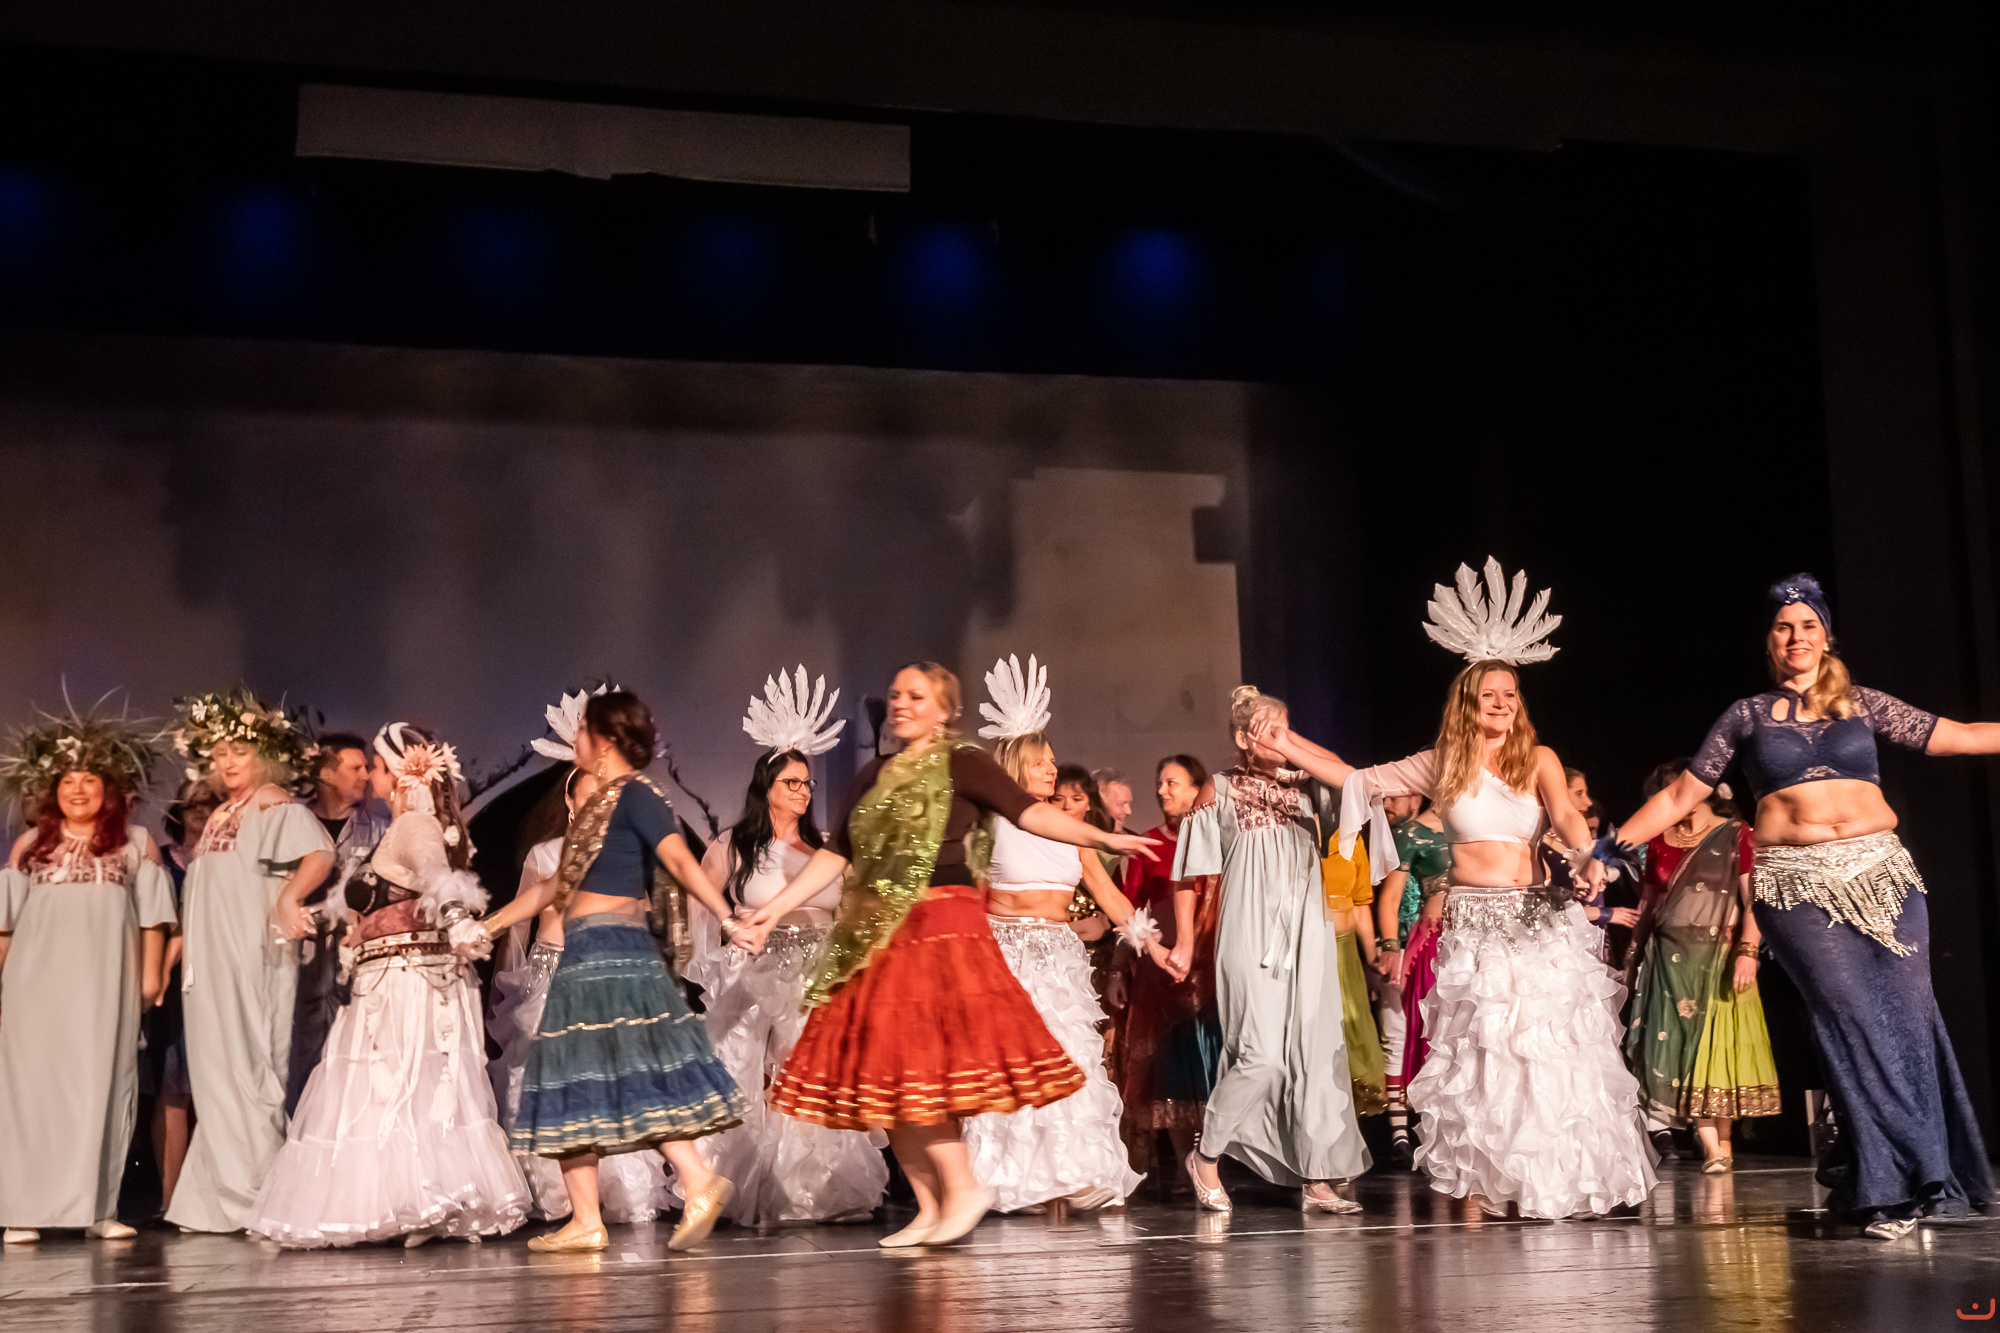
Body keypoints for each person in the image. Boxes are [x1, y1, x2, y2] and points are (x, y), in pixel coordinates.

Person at [1613, 574, 1998, 1238]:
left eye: (1808, 625)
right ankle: (1886, 1189)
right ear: (1770, 642)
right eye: (1784, 627)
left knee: (1909, 1021)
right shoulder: (1747, 715)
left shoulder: (1864, 704)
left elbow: (1960, 735)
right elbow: (1680, 796)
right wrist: (1610, 845)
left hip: (1882, 875)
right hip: (1794, 884)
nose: (1797, 637)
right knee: (1851, 1021)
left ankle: (1928, 1176)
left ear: (1826, 635)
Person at [740, 662, 1158, 1248]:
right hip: (884, 930)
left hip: (942, 925)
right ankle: (931, 1205)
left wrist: (1102, 836)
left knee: (920, 1066)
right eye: (895, 694)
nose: (901, 704)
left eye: (917, 696)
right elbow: (838, 854)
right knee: (884, 1073)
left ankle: (962, 1188)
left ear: (945, 709)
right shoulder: (874, 774)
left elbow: (1030, 811)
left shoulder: (962, 762)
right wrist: (774, 908)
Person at [1336, 559, 1654, 1220]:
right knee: (1484, 1057)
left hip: (1540, 920)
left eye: (1511, 693)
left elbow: (1566, 816)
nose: (1503, 703)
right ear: (1468, 701)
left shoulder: (1539, 758)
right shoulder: (1442, 764)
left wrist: (1587, 854)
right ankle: (1481, 1188)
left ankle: (1556, 1183)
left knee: (1548, 1053)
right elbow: (1357, 776)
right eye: (1490, 694)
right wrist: (1287, 742)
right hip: (1476, 925)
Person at [483, 690, 745, 1254]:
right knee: (569, 1077)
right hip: (581, 954)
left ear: (603, 740)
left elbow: (678, 858)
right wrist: (492, 923)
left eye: (582, 730)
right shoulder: (599, 805)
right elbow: (558, 884)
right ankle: (586, 1219)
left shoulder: (635, 794)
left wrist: (727, 916)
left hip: (614, 953)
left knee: (630, 1071)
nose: (574, 739)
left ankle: (697, 1178)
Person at [249, 723, 529, 1248]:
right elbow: (376, 900)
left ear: (398, 773)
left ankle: (423, 1201)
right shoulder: (400, 828)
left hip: (408, 981)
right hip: (385, 979)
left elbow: (438, 878)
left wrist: (459, 922)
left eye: (375, 766)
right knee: (385, 1090)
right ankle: (407, 1202)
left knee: (404, 1087)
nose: (370, 776)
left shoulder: (416, 825)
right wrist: (316, 916)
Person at [683, 667, 889, 1227]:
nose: (803, 791)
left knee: (810, 1069)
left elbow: (852, 914)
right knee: (747, 1070)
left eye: (807, 784)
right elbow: (703, 908)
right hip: (755, 967)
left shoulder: (825, 850)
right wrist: (714, 963)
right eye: (791, 782)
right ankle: (740, 1183)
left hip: (816, 967)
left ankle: (817, 1189)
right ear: (767, 788)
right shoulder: (733, 846)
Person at [961, 656, 1164, 1213]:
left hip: (1059, 956)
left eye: (1053, 762)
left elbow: (1109, 894)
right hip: (1006, 954)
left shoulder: (1072, 830)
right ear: (1017, 767)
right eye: (1042, 763)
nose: (1053, 770)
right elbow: (973, 894)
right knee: (1011, 1063)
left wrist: (1153, 944)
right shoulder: (991, 824)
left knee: (1069, 1059)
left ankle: (1073, 1172)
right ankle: (1007, 1180)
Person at [1176, 686, 1369, 1215]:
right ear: (1243, 738)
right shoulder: (1218, 789)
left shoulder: (1310, 787)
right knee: (1259, 1056)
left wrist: (1289, 741)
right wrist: (1186, 942)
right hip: (1249, 933)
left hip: (1308, 933)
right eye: (1269, 731)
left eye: (1287, 728)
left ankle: (1318, 1174)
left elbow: (1352, 777)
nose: (1282, 741)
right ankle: (1206, 1157)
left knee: (1315, 1048)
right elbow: (1188, 874)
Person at [0, 706, 175, 1244]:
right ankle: (24, 1210)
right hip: (34, 988)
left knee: (103, 1087)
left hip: (106, 986)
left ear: (110, 789)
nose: (78, 790)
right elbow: (6, 925)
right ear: (52, 790)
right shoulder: (31, 845)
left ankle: (99, 1209)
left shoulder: (135, 843)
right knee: (30, 1093)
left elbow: (152, 918)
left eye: (90, 780)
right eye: (68, 781)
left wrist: (150, 979)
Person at [165, 690, 335, 1234]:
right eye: (220, 754)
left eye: (239, 751)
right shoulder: (222, 812)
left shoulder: (270, 802)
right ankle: (211, 1199)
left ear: (262, 756)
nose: (229, 762)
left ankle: (260, 1192)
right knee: (214, 1068)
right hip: (211, 960)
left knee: (250, 1064)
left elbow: (321, 852)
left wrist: (289, 898)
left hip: (250, 954)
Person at [487, 765, 667, 1224]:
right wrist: (508, 977)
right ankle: (558, 1195)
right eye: (586, 797)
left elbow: (638, 916)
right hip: (551, 975)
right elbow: (522, 920)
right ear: (569, 802)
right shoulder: (546, 854)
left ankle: (614, 1192)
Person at [1621, 759, 1779, 1174]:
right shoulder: (1658, 841)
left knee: (1714, 1050)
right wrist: (1632, 956)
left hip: (1720, 960)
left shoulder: (1735, 834)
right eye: (1668, 791)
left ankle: (1720, 1143)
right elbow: (1649, 904)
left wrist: (1748, 951)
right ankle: (1712, 1145)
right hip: (1669, 963)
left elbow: (1753, 901)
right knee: (1679, 1051)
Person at [1113, 755, 1218, 1188]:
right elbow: (1128, 908)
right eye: (1160, 783)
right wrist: (1118, 970)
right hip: (1161, 973)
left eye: (1172, 782)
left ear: (1197, 789)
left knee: (1208, 1067)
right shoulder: (1148, 844)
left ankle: (1209, 1162)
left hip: (1211, 973)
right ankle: (1181, 1165)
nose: (1161, 791)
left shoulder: (1218, 841)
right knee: (1169, 1072)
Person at [287, 731, 391, 1116]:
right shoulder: (292, 822)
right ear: (326, 773)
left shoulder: (380, 828)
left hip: (356, 955)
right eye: (355, 767)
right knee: (298, 1047)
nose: (365, 775)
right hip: (298, 956)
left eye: (367, 767)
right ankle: (298, 1126)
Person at [146, 781, 215, 1214]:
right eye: (192, 803)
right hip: (171, 983)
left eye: (209, 802)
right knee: (173, 1087)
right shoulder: (161, 859)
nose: (200, 810)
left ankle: (209, 1193)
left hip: (217, 977)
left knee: (213, 1086)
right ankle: (170, 1200)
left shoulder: (228, 857)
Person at [1374, 793, 1447, 1165]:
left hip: (1479, 941)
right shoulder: (1413, 834)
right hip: (1425, 944)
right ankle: (1406, 1132)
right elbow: (1388, 898)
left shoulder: (1481, 826)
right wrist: (1388, 946)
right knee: (1407, 1035)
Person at [1320, 831, 1386, 1119]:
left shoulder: (1351, 840)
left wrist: (1372, 958)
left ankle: (1353, 1111)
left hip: (1345, 951)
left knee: (1352, 1022)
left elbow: (1360, 904)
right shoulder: (1299, 837)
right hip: (1313, 952)